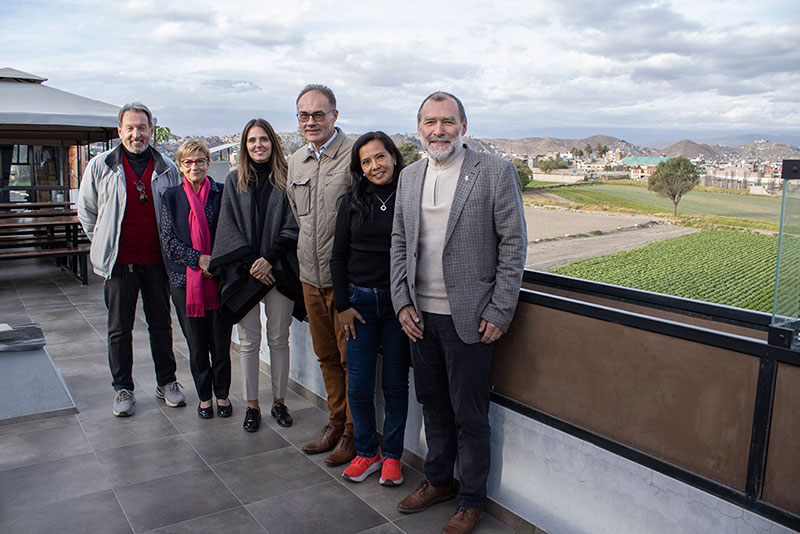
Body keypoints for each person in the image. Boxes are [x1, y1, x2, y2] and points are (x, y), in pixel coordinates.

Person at [390, 92, 527, 534]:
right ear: (419, 128)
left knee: (470, 415)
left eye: (448, 121)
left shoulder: (493, 172)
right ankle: (438, 481)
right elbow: (398, 244)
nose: (439, 130)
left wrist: (501, 310)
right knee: (432, 404)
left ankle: (470, 500)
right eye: (430, 121)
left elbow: (513, 244)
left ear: (463, 127)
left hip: (469, 318)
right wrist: (402, 301)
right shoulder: (409, 176)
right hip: (419, 318)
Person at [78, 102, 185, 417]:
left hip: (156, 262)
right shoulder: (101, 166)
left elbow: (178, 212)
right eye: (130, 128)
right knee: (119, 328)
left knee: (161, 325)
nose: (136, 134)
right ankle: (122, 387)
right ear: (120, 130)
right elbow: (87, 211)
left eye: (142, 128)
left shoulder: (167, 167)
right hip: (119, 264)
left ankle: (167, 382)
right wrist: (104, 242)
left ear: (151, 130)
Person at [210, 118, 304, 433]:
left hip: (278, 271)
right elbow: (228, 227)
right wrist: (255, 262)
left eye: (263, 139)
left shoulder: (287, 178)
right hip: (246, 272)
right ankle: (252, 405)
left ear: (273, 143)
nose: (258, 145)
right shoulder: (235, 181)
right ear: (245, 146)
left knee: (279, 339)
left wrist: (270, 259)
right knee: (249, 342)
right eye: (252, 140)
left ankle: (279, 401)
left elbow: (295, 222)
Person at [331, 132, 410, 485]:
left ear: (393, 157)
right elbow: (337, 257)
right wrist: (343, 305)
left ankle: (392, 456)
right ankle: (367, 452)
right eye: (366, 161)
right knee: (359, 386)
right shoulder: (351, 201)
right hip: (359, 304)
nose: (374, 166)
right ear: (359, 168)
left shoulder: (411, 197)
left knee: (395, 384)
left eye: (380, 157)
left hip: (400, 305)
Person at [286, 84, 356, 466]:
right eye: (303, 115)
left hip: (346, 283)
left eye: (318, 114)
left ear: (334, 115)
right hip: (310, 279)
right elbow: (299, 218)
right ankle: (335, 422)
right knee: (326, 356)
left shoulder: (354, 155)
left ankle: (353, 433)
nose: (310, 122)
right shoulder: (296, 161)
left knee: (351, 361)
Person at [160, 139, 232, 419]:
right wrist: (198, 259)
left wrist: (216, 263)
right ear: (180, 165)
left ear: (207, 163)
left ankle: (223, 394)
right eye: (188, 162)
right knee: (197, 344)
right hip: (184, 283)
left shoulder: (222, 193)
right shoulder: (172, 197)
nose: (194, 166)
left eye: (199, 161)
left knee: (221, 343)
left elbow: (230, 233)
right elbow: (167, 240)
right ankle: (205, 397)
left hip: (219, 279)